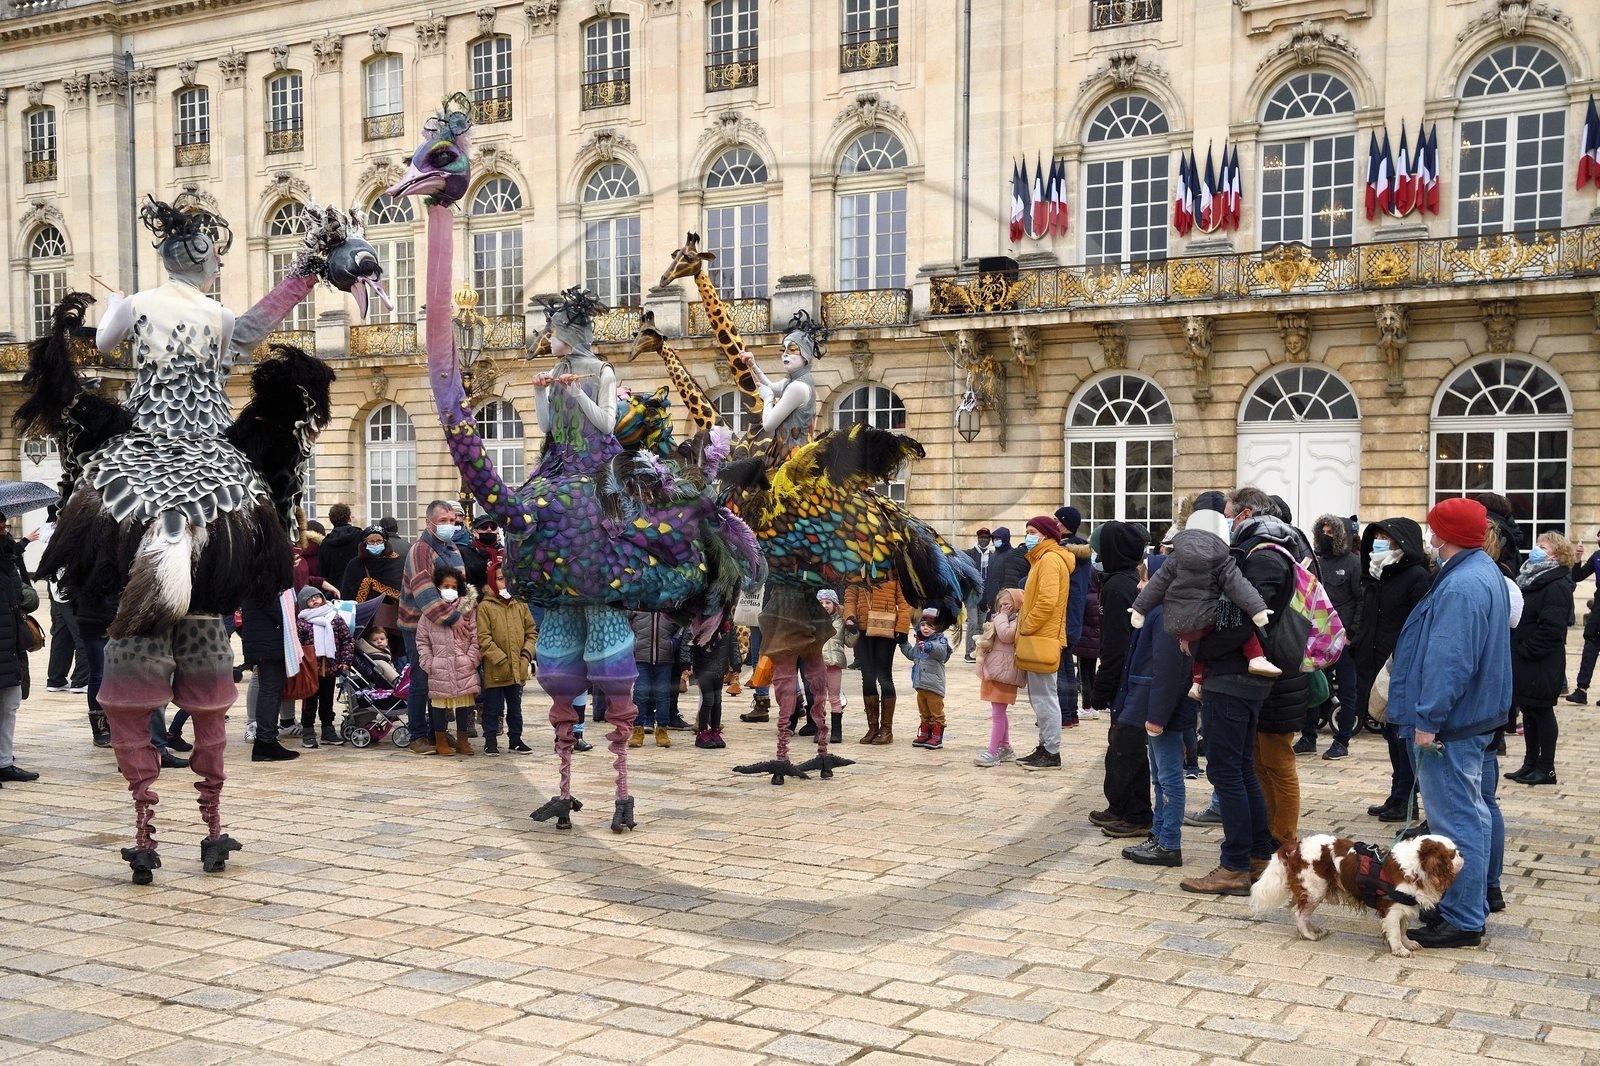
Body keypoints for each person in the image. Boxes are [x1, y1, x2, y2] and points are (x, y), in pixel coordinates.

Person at [1387, 496, 1511, 949]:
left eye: (1434, 529)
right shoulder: (1480, 570)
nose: (1430, 536)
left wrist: (1429, 718)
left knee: (1456, 822)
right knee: (1471, 815)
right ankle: (1470, 904)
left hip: (1453, 723)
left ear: (1444, 535)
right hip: (1470, 716)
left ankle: (1462, 918)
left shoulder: (1462, 584)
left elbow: (1450, 660)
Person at [1180, 487, 1298, 896]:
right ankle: (1257, 853)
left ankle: (1234, 865)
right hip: (1238, 677)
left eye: (1228, 514)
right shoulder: (1257, 552)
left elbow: (1239, 622)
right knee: (1241, 769)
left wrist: (1196, 646)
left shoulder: (1258, 557)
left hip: (1233, 678)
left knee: (1227, 772)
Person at [1129, 491, 1277, 694]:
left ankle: (1197, 682)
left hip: (1177, 623)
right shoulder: (1224, 559)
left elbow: (1156, 584)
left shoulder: (1175, 557)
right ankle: (1256, 658)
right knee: (1235, 615)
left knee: (1194, 641)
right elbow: (1239, 587)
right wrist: (1257, 609)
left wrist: (1139, 609)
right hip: (1207, 620)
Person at [1347, 518, 1432, 820]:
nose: (1380, 541)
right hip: (1374, 661)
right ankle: (1397, 793)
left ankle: (1407, 799)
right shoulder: (1377, 571)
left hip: (1399, 665)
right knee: (1388, 733)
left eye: (1386, 536)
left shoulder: (1416, 576)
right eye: (1378, 535)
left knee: (1401, 735)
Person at [1116, 553, 1194, 867]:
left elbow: (1168, 671)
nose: (1139, 585)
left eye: (1146, 579)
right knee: (1159, 775)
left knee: (1168, 776)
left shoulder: (1166, 616)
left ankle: (1169, 842)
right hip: (1159, 706)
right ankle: (1159, 834)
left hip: (1164, 710)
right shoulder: (1160, 611)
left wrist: (1157, 717)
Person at [1090, 520, 1153, 835]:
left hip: (1126, 681)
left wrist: (1102, 688)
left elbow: (1115, 644)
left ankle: (1136, 813)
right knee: (1120, 745)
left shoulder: (1117, 588)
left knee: (1126, 747)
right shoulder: (1122, 581)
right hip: (1128, 678)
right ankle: (1118, 805)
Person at [1506, 532, 1576, 786]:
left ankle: (1546, 768)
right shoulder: (1531, 579)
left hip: (1541, 661)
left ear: (1556, 555)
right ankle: (1530, 763)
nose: (1536, 549)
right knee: (1529, 710)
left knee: (1542, 711)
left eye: (1542, 547)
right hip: (1526, 660)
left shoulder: (1556, 584)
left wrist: (1525, 650)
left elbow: (1552, 630)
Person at [400, 501, 466, 753]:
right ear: (429, 523)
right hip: (418, 624)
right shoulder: (421, 550)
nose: (449, 525)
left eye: (452, 520)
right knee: (421, 679)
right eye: (443, 521)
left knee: (440, 680)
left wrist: (462, 611)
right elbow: (424, 592)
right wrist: (452, 617)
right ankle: (417, 734)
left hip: (444, 623)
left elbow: (460, 586)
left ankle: (436, 732)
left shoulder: (452, 548)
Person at [1014, 515, 1074, 771]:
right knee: (1040, 697)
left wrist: (1026, 625)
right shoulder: (1042, 558)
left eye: (1032, 532)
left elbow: (1047, 601)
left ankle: (1051, 751)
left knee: (1044, 697)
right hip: (1040, 636)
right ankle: (1045, 745)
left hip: (1041, 637)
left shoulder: (1049, 559)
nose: (1028, 536)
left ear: (1046, 535)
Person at [1302, 513, 1363, 759]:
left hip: (1342, 638)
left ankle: (1342, 740)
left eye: (1331, 533)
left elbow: (1361, 601)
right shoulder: (1315, 562)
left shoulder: (1353, 563)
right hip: (1317, 638)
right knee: (1314, 686)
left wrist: (1351, 634)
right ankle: (1308, 737)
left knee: (1347, 690)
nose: (1326, 536)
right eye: (1323, 532)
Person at [416, 566, 481, 757]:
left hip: (463, 666)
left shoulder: (468, 611)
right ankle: (441, 741)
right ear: (437, 587)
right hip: (439, 667)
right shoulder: (429, 613)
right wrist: (429, 662)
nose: (449, 590)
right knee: (438, 706)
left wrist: (471, 660)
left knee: (464, 705)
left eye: (453, 587)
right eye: (445, 586)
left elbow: (476, 638)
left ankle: (463, 741)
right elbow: (422, 640)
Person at [845, 571, 913, 745]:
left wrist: (902, 628)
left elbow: (904, 601)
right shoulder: (857, 569)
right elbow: (850, 596)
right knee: (867, 678)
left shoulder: (894, 571)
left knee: (884, 677)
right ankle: (873, 727)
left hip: (886, 630)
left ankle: (886, 729)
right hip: (862, 629)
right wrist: (850, 617)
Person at [477, 562, 536, 756]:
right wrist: (500, 659)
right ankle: (490, 741)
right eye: (501, 579)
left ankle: (515, 739)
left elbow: (531, 632)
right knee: (492, 707)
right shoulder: (485, 606)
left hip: (518, 666)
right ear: (492, 581)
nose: (505, 583)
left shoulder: (520, 604)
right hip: (496, 667)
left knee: (515, 707)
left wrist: (525, 656)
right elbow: (483, 638)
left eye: (508, 578)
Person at [0, 513, 39, 786]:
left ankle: (4, 761)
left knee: (10, 705)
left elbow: (26, 597)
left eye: (4, 526)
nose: (3, 531)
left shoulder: (8, 557)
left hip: (11, 644)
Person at [294, 586, 353, 749]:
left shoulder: (334, 618)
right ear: (303, 604)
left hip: (330, 668)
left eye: (317, 597)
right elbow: (297, 645)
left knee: (327, 701)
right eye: (310, 599)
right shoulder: (302, 623)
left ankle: (328, 730)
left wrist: (345, 660)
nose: (314, 600)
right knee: (309, 702)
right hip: (310, 670)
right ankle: (308, 731)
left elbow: (347, 640)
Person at [974, 588, 1025, 767]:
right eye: (1001, 605)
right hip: (996, 670)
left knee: (997, 714)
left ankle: (992, 751)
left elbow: (1007, 635)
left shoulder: (1018, 619)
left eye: (1007, 604)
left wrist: (1001, 617)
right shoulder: (1002, 617)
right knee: (999, 712)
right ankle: (1005, 746)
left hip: (1005, 672)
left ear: (1016, 604)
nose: (1003, 608)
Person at [1056, 506, 1092, 726]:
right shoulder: (1082, 550)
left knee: (1060, 669)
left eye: (1057, 521)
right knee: (1067, 666)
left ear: (1064, 524)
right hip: (1075, 617)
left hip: (1064, 617)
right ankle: (1071, 713)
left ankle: (1063, 713)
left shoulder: (1063, 551)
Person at [628, 608, 682, 748]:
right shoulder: (638, 603)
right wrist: (633, 643)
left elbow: (682, 625)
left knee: (663, 696)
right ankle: (637, 730)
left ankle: (662, 730)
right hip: (641, 657)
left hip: (665, 658)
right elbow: (624, 621)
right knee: (640, 694)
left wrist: (673, 644)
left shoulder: (669, 603)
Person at [901, 607, 952, 750]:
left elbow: (941, 653)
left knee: (936, 712)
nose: (925, 628)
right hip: (920, 684)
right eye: (923, 625)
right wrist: (903, 644)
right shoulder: (920, 641)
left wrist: (929, 646)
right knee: (924, 711)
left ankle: (937, 735)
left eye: (930, 626)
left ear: (938, 627)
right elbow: (912, 654)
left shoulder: (940, 640)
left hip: (934, 686)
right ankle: (925, 732)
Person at [1565, 531, 1598, 705]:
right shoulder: (1597, 556)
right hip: (1598, 607)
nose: (1598, 538)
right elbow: (1578, 576)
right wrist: (1577, 559)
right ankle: (1581, 689)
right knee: (1590, 644)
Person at [815, 590, 847, 743]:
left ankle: (836, 731)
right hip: (817, 664)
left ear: (834, 604)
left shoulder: (841, 620)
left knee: (834, 697)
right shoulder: (813, 620)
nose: (824, 605)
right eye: (821, 603)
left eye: (828, 602)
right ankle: (820, 730)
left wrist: (853, 630)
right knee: (819, 698)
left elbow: (850, 641)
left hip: (834, 663)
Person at [961, 528, 997, 662]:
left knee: (982, 624)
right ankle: (968, 651)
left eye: (986, 537)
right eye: (981, 537)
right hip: (971, 594)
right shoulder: (969, 554)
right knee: (973, 622)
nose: (984, 540)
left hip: (985, 594)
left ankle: (978, 651)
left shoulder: (992, 555)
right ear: (978, 538)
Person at [317, 504, 363, 601]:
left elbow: (322, 573)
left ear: (331, 520)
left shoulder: (325, 544)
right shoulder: (360, 537)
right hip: (360, 591)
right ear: (349, 518)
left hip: (335, 593)